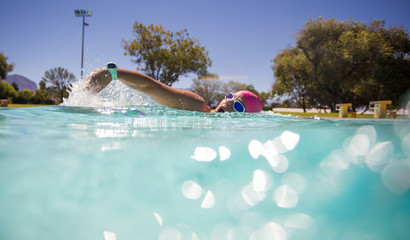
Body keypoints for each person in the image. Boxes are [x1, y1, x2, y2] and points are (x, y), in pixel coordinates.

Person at [85, 64, 263, 113]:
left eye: (238, 107)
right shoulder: (197, 106)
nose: (229, 104)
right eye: (230, 96)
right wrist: (115, 74)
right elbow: (152, 87)